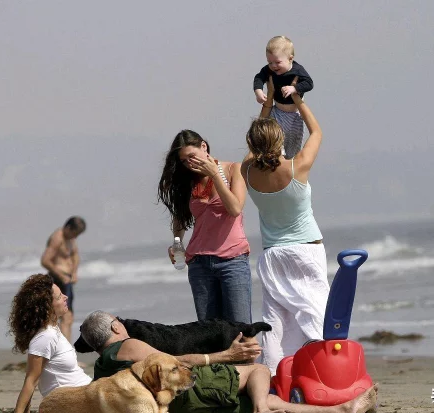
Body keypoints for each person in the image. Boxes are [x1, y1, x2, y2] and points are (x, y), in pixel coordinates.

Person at [80, 310, 378, 413]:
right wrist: (225, 357)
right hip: (187, 395)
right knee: (257, 371)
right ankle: (261, 407)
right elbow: (177, 362)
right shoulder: (129, 345)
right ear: (116, 328)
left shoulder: (102, 368)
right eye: (119, 321)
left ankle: (343, 408)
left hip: (176, 403)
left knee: (277, 404)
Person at [242, 78, 329, 374]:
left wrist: (267, 104)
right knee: (315, 314)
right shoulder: (297, 166)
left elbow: (255, 147)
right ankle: (320, 369)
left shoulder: (248, 171)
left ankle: (276, 376)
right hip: (305, 251)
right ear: (279, 141)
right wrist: (299, 100)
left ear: (252, 143)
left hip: (272, 255)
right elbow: (317, 132)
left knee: (275, 321)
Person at [157, 130, 252, 324]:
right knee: (209, 333)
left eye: (191, 157)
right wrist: (177, 242)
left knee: (241, 329)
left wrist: (214, 175)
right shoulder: (188, 181)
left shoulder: (233, 170)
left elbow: (234, 208)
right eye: (184, 161)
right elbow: (180, 218)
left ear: (203, 147)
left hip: (232, 261)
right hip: (199, 263)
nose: (189, 163)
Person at [9, 274, 91, 413]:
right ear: (46, 306)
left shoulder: (53, 330)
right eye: (59, 297)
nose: (66, 297)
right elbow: (31, 381)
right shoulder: (45, 337)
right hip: (72, 403)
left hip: (85, 396)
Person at [253, 36, 314, 159]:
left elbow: (309, 83)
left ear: (290, 59)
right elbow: (259, 78)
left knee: (294, 148)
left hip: (295, 114)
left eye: (278, 62)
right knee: (274, 143)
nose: (274, 66)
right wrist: (258, 91)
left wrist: (294, 89)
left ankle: (290, 165)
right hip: (278, 112)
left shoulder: (297, 70)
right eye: (270, 62)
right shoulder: (269, 70)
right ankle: (277, 160)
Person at [41, 216, 86, 342]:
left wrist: (75, 272)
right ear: (68, 227)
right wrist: (61, 275)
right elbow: (45, 260)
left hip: (67, 282)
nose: (75, 237)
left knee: (67, 317)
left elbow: (75, 255)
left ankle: (64, 350)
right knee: (62, 316)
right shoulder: (57, 238)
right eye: (74, 233)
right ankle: (62, 351)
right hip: (57, 280)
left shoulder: (70, 239)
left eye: (78, 235)